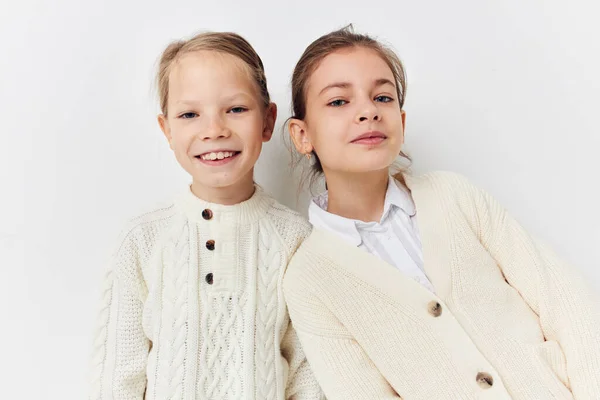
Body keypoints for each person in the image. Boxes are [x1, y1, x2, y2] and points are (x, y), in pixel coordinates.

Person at [283, 25, 600, 399]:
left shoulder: (453, 196)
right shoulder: (310, 278)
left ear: (401, 122)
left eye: (382, 97)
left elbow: (564, 299)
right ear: (302, 135)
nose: (368, 111)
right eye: (339, 101)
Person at [89, 31, 324, 400]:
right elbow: (119, 375)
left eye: (235, 109)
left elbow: (306, 374)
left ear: (267, 121)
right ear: (167, 130)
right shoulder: (144, 240)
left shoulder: (295, 239)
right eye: (190, 114)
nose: (214, 130)